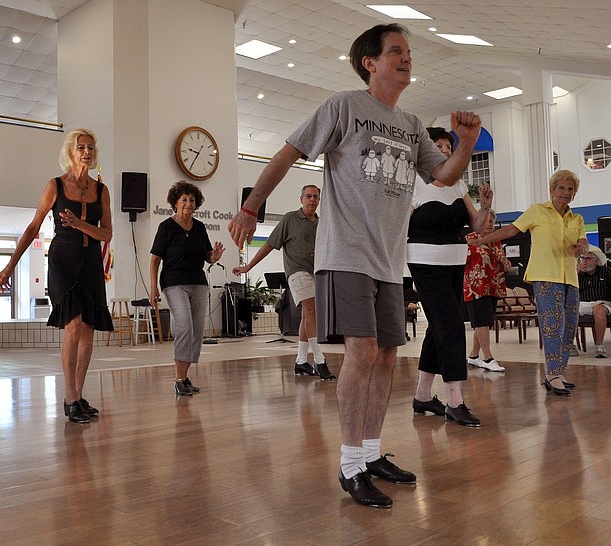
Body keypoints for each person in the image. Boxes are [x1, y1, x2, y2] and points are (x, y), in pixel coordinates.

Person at [228, 23, 482, 508]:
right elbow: (288, 152)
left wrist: (466, 143)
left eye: (408, 52)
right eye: (396, 51)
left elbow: (443, 176)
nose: (406, 59)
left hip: (389, 260)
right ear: (370, 62)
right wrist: (250, 206)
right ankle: (349, 465)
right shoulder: (344, 106)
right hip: (345, 253)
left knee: (386, 355)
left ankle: (369, 453)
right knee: (362, 351)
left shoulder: (411, 124)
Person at [0, 128, 113, 423]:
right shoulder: (56, 185)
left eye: (90, 147)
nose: (86, 152)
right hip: (63, 261)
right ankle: (70, 398)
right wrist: (10, 265)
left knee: (88, 328)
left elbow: (107, 234)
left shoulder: (102, 190)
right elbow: (33, 227)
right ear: (70, 152)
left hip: (90, 262)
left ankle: (78, 395)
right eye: (81, 147)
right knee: (74, 323)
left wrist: (79, 224)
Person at [469, 169, 586, 397]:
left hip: (570, 280)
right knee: (552, 327)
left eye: (570, 189)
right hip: (545, 277)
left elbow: (583, 241)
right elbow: (510, 230)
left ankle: (558, 372)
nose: (566, 192)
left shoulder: (577, 219)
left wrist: (581, 247)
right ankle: (552, 375)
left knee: (569, 328)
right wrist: (483, 240)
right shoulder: (537, 211)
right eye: (561, 188)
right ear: (552, 190)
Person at [407, 127, 493, 428]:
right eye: (438, 146)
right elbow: (399, 227)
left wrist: (485, 207)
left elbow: (477, 226)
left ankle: (423, 396)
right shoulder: (415, 184)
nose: (444, 151)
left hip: (456, 262)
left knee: (439, 326)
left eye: (448, 147)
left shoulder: (458, 186)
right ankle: (455, 401)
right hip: (424, 262)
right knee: (452, 325)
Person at [232, 184, 336, 380]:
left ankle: (301, 362)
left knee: (307, 315)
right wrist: (248, 266)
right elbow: (270, 244)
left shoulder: (322, 223)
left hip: (317, 273)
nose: (312, 200)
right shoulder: (290, 219)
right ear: (301, 199)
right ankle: (320, 361)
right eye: (308, 196)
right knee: (311, 311)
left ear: (319, 200)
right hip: (297, 272)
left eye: (315, 197)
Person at [150, 181, 225, 396]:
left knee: (196, 330)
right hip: (174, 282)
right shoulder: (166, 226)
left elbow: (207, 255)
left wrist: (214, 256)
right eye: (184, 199)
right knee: (184, 325)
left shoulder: (199, 227)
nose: (188, 203)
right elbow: (155, 259)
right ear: (175, 202)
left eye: (192, 200)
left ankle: (184, 377)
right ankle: (179, 379)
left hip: (198, 282)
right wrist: (153, 288)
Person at [464, 209, 510, 371]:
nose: (489, 224)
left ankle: (474, 356)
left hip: (493, 286)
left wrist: (506, 263)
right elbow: (462, 262)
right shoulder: (469, 239)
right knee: (482, 321)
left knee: (484, 322)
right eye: (485, 221)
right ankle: (488, 358)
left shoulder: (496, 241)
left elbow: (500, 260)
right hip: (476, 287)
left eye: (491, 221)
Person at [576, 245, 611, 358]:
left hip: (603, 302)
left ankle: (599, 345)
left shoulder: (606, 272)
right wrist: (576, 271)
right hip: (583, 303)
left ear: (596, 261)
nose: (585, 262)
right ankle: (568, 344)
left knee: (598, 310)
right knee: (567, 311)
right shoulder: (580, 274)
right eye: (583, 258)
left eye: (588, 258)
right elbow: (569, 289)